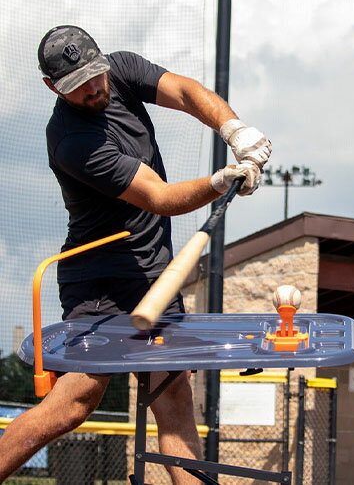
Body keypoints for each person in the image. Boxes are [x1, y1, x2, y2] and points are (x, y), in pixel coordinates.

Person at [0, 25, 272, 484]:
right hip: (99, 277)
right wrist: (219, 182)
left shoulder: (120, 69)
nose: (93, 88)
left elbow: (185, 92)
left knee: (173, 398)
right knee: (76, 402)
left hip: (153, 275)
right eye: (76, 85)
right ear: (52, 87)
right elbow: (159, 197)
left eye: (95, 74)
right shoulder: (71, 141)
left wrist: (234, 128)